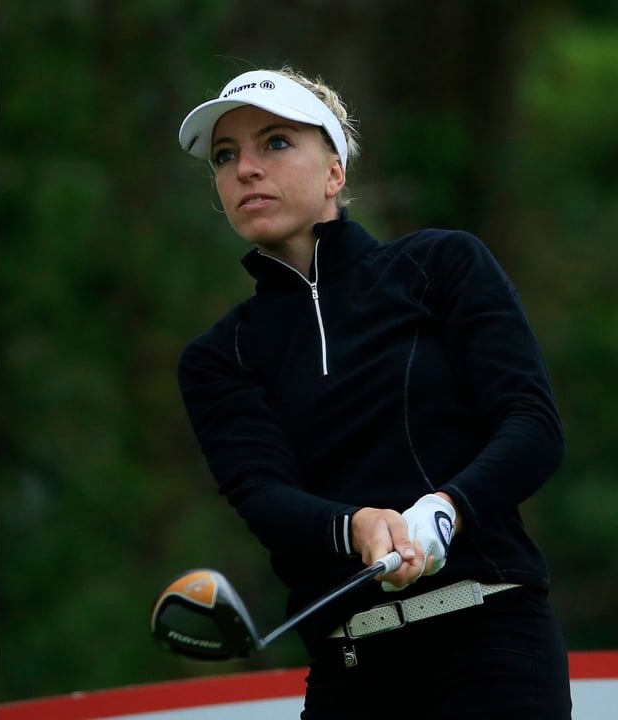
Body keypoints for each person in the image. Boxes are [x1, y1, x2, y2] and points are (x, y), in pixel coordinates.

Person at [174, 67, 571, 719]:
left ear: (334, 171)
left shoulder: (441, 267)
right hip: (351, 674)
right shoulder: (221, 355)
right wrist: (353, 526)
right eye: (225, 155)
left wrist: (449, 506)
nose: (245, 167)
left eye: (274, 143)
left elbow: (532, 427)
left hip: (493, 645)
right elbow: (262, 494)